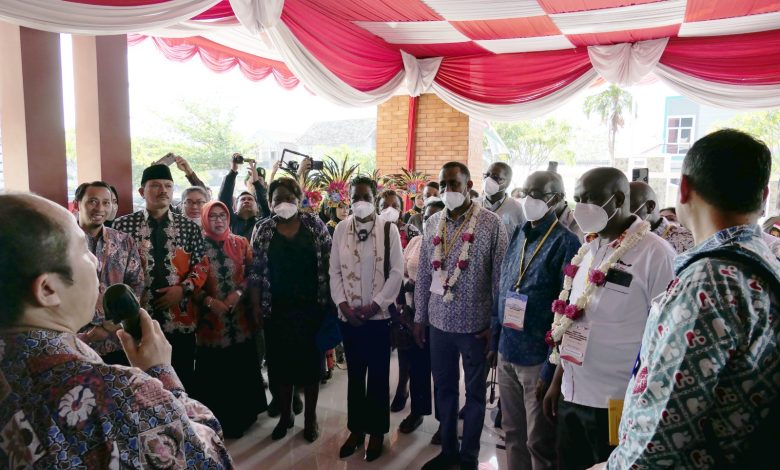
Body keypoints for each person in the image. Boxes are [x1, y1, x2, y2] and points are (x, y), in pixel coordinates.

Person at [0, 193, 232, 468]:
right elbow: (208, 458)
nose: (97, 261)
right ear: (48, 289)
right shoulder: (120, 394)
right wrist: (160, 374)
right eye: (83, 250)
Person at [595, 129, 780, 469]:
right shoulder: (764, 262)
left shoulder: (707, 281)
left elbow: (666, 423)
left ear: (683, 189)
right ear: (764, 194)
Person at [542, 167, 675, 470]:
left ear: (617, 199)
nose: (580, 206)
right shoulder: (588, 249)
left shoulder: (656, 255)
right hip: (571, 393)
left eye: (588, 198)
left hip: (616, 403)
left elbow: (664, 340)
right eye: (576, 199)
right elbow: (573, 320)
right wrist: (556, 380)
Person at [414, 162, 508, 470]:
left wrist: (495, 328)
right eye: (443, 186)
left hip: (475, 326)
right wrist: (419, 317)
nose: (447, 191)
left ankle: (469, 458)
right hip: (439, 323)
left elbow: (500, 281)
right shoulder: (432, 223)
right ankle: (449, 451)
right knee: (444, 388)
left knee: (476, 395)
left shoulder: (491, 224)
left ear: (468, 186)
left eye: (454, 184)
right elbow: (426, 276)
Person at [491, 171, 581, 470]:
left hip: (537, 358)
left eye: (537, 194)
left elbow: (567, 310)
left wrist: (550, 368)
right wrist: (495, 338)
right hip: (507, 348)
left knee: (538, 442)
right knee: (513, 433)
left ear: (555, 199)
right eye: (526, 192)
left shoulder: (566, 243)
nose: (528, 200)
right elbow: (503, 285)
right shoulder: (518, 232)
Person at [249, 177, 335, 443]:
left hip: (311, 309)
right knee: (279, 368)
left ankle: (310, 419)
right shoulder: (263, 229)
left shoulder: (315, 225)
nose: (284, 204)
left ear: (299, 200)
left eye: (289, 199)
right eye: (278, 200)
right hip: (276, 311)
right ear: (270, 203)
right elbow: (255, 271)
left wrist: (331, 305)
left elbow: (331, 265)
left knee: (310, 368)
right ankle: (286, 416)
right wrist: (254, 306)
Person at [113, 164, 208, 392]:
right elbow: (115, 270)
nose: (162, 190)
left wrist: (183, 288)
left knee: (182, 376)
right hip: (136, 319)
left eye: (167, 186)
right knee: (140, 383)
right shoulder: (122, 225)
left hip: (180, 318)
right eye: (155, 185)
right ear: (141, 191)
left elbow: (202, 266)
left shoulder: (189, 227)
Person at [330, 175, 404, 462]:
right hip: (349, 319)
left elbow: (396, 272)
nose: (360, 202)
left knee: (378, 377)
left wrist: (376, 305)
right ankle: (356, 430)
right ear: (348, 199)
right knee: (355, 376)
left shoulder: (389, 230)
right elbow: (334, 271)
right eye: (355, 197)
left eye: (365, 197)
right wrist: (344, 306)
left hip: (378, 318)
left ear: (374, 198)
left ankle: (376, 432)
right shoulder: (340, 229)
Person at [193, 201, 266, 438]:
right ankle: (218, 419)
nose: (218, 220)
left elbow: (253, 272)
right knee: (217, 372)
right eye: (212, 216)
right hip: (211, 324)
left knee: (241, 365)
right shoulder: (196, 245)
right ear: (205, 218)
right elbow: (189, 281)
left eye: (222, 215)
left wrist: (238, 293)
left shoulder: (240, 243)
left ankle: (245, 415)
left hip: (240, 318)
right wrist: (210, 302)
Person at [74, 181, 144, 365]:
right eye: (92, 201)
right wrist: (87, 334)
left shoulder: (124, 241)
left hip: (117, 341)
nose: (100, 208)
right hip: (75, 342)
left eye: (106, 203)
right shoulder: (61, 244)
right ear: (77, 204)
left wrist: (112, 324)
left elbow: (136, 284)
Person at [398, 198, 445, 438]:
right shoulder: (416, 242)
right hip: (413, 314)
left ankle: (443, 422)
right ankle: (417, 412)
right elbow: (403, 271)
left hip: (439, 318)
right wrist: (408, 287)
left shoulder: (452, 244)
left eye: (437, 217)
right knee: (417, 368)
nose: (432, 222)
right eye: (427, 217)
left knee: (441, 373)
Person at [379, 190, 420, 415]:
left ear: (401, 209)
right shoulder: (372, 230)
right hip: (377, 297)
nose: (389, 209)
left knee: (404, 345)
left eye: (394, 205)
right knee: (381, 347)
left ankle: (402, 387)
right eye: (384, 205)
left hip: (402, 298)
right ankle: (379, 387)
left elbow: (413, 267)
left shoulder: (410, 231)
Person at [630, 181, 694, 254]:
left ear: (650, 207)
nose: (624, 214)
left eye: (628, 207)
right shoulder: (625, 239)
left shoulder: (687, 241)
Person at [218, 154, 272, 239]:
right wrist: (233, 171)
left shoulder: (262, 223)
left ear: (258, 208)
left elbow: (265, 204)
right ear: (235, 207)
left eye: (250, 199)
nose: (246, 201)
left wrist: (257, 183)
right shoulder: (230, 221)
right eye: (242, 199)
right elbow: (224, 198)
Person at [482, 162, 526, 238]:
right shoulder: (474, 203)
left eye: (495, 177)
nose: (488, 180)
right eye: (487, 175)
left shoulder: (518, 209)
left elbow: (518, 243)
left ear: (507, 183)